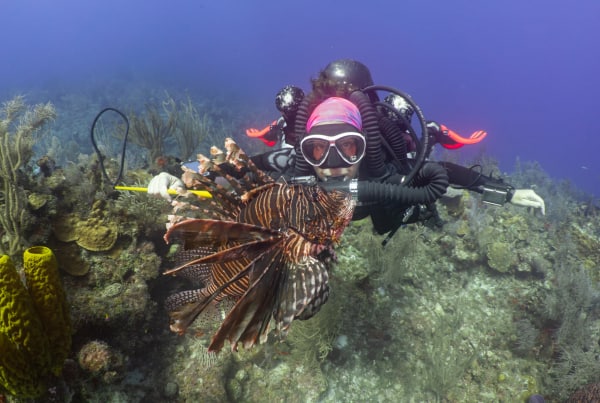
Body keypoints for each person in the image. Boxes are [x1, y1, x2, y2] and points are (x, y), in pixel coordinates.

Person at [149, 59, 545, 241]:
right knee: (278, 145)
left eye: (349, 147)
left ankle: (437, 129)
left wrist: (506, 193)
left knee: (420, 145)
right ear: (306, 149)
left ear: (366, 144)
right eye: (319, 150)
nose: (335, 165)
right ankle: (279, 131)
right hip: (297, 152)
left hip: (385, 166)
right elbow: (237, 168)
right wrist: (181, 175)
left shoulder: (385, 166)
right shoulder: (293, 163)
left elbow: (443, 173)